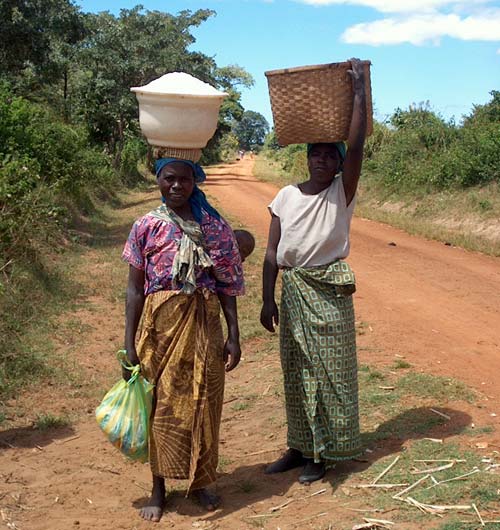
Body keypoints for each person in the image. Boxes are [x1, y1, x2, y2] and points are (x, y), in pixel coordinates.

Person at [260, 58, 367, 484]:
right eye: (315, 153)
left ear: (339, 164)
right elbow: (271, 253)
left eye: (330, 155)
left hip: (327, 290)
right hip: (294, 290)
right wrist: (268, 298)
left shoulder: (343, 191)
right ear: (305, 158)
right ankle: (299, 444)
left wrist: (358, 91)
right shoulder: (285, 195)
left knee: (329, 371)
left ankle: (322, 453)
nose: (321, 160)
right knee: (296, 368)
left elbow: (357, 146)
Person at [122, 157, 245, 522]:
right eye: (169, 179)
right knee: (161, 405)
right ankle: (158, 488)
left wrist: (234, 334)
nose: (176, 186)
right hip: (160, 328)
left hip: (205, 323)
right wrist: (129, 343)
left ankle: (202, 482)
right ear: (158, 180)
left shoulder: (213, 227)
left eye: (185, 180)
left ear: (196, 182)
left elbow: (228, 285)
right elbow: (133, 290)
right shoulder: (145, 226)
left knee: (206, 402)